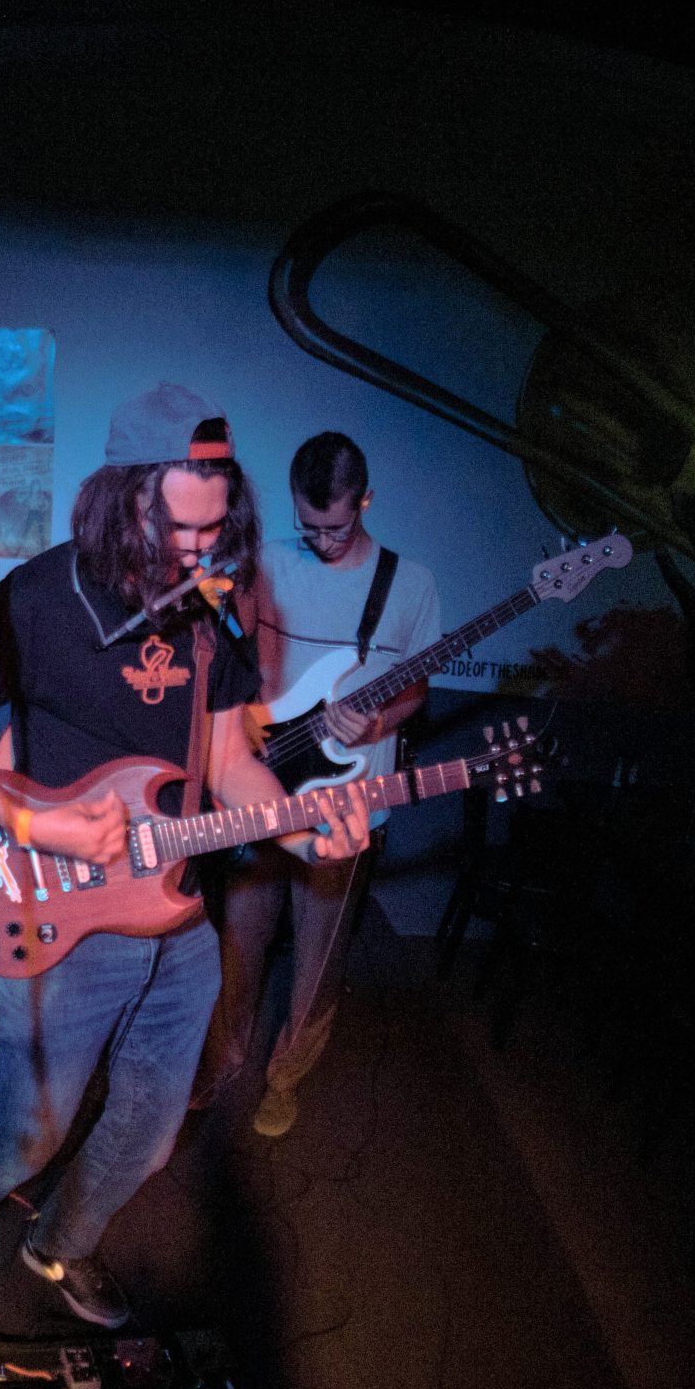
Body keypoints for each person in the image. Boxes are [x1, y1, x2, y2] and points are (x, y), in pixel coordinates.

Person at [0, 386, 371, 1327]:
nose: (197, 549)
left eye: (213, 528)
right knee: (27, 1136)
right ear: (122, 502)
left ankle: (59, 1244)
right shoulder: (38, 598)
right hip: (55, 909)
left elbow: (229, 762)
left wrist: (304, 829)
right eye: (177, 529)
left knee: (148, 1136)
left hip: (176, 917)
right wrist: (39, 826)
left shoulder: (216, 611)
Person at [207, 431, 439, 1137]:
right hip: (262, 784)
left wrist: (378, 724)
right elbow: (234, 655)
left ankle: (285, 1079)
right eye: (308, 526)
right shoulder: (269, 562)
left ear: (365, 501)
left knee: (317, 961)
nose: (321, 541)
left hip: (346, 803)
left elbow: (416, 689)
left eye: (334, 528)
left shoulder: (411, 584)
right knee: (238, 946)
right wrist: (243, 726)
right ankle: (224, 1061)